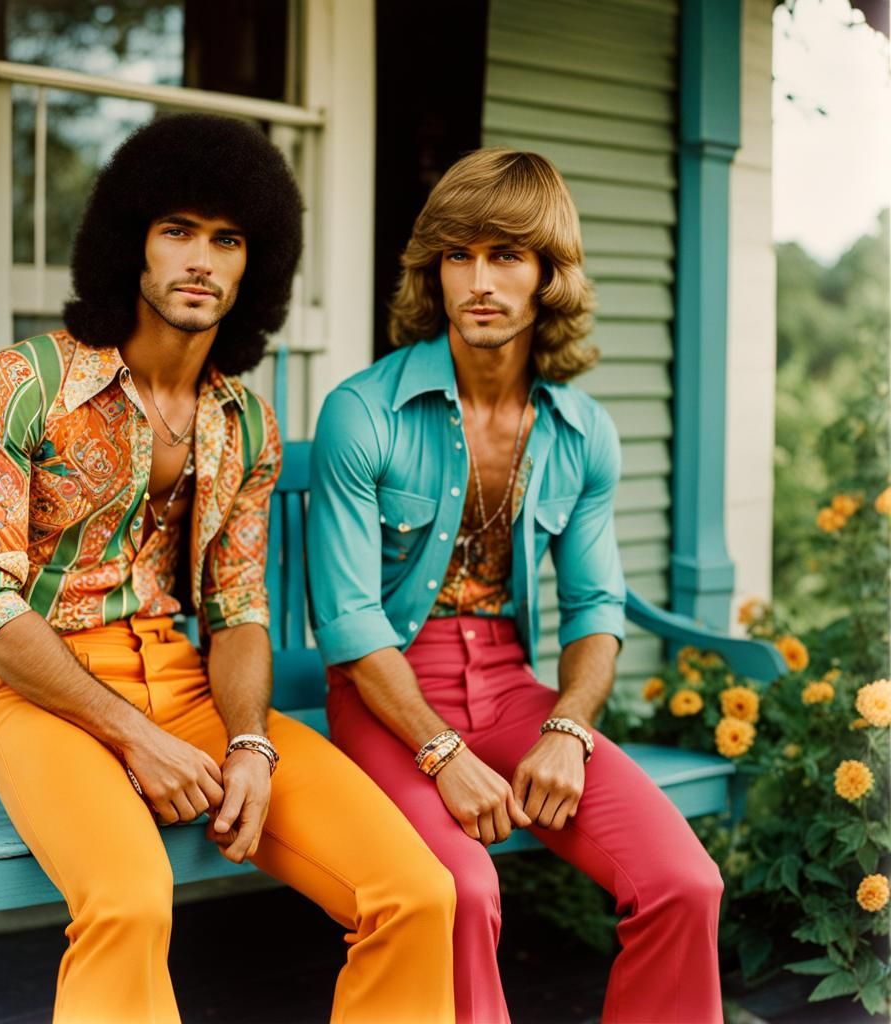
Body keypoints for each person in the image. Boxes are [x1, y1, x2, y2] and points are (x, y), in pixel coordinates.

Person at [0, 113, 455, 1024]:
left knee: (416, 891)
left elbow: (238, 606)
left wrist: (251, 741)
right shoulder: (17, 385)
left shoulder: (245, 422)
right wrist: (135, 739)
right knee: (132, 904)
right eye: (176, 229)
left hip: (189, 689)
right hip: (49, 694)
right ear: (128, 240)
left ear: (256, 264)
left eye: (228, 238)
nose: (201, 259)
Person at [307, 147, 725, 1024]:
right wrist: (441, 752)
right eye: (459, 255)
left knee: (684, 882)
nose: (479, 281)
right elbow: (347, 620)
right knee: (462, 890)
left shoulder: (582, 432)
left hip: (511, 689)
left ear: (548, 277)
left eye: (505, 255)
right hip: (386, 693)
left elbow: (595, 609)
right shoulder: (363, 410)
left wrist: (569, 728)